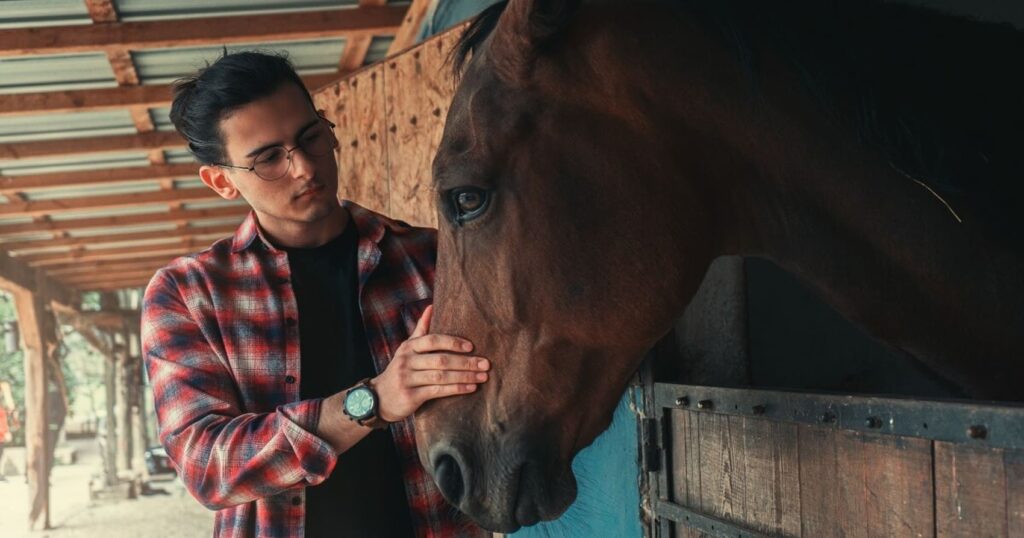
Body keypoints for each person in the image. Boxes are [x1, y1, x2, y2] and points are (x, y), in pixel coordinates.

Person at [141, 51, 490, 537]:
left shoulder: (433, 259)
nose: (304, 167)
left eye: (310, 137)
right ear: (221, 181)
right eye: (268, 158)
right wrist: (374, 401)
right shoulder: (188, 293)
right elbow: (206, 468)